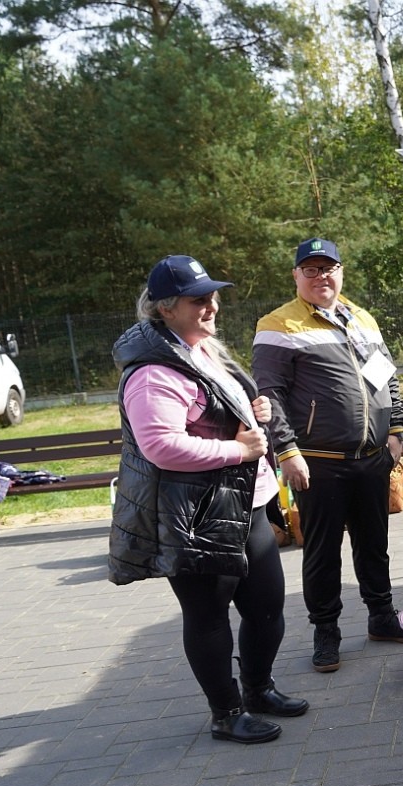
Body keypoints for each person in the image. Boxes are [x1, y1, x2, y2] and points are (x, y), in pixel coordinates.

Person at [109, 255, 308, 745]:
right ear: (165, 308)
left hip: (245, 505)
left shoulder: (199, 349)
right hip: (195, 514)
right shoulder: (153, 372)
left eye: (213, 296)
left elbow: (215, 409)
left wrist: (251, 408)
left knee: (267, 608)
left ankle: (259, 689)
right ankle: (226, 712)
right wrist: (237, 448)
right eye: (199, 300)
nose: (211, 306)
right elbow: (160, 446)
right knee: (208, 617)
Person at [252, 238, 403, 674]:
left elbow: (387, 380)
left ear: (341, 271)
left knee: (374, 545)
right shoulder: (279, 324)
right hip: (317, 461)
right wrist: (287, 451)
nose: (322, 277)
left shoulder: (362, 318)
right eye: (311, 269)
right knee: (322, 552)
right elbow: (270, 394)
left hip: (373, 457)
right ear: (296, 276)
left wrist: (396, 431)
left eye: (329, 268)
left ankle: (382, 616)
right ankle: (326, 631)